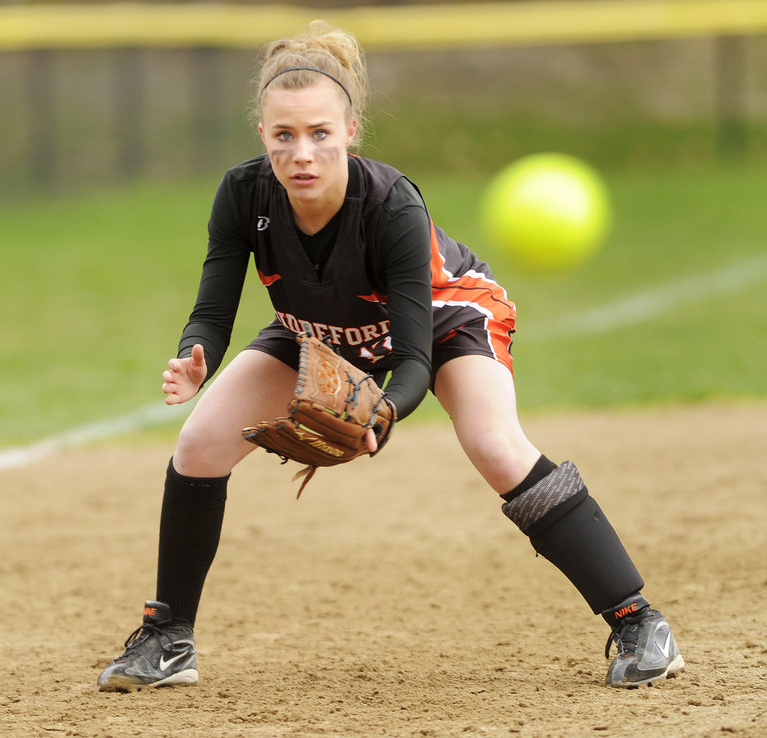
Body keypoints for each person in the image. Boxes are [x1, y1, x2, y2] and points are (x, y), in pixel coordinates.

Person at [97, 21, 684, 692]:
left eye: (320, 132)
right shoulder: (243, 194)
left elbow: (410, 357)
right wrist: (194, 355)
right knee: (199, 442)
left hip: (441, 316)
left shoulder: (390, 205)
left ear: (351, 131)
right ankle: (168, 638)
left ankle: (640, 622)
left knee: (494, 445)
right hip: (321, 326)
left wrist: (383, 412)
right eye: (284, 135)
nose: (302, 152)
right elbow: (213, 309)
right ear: (262, 135)